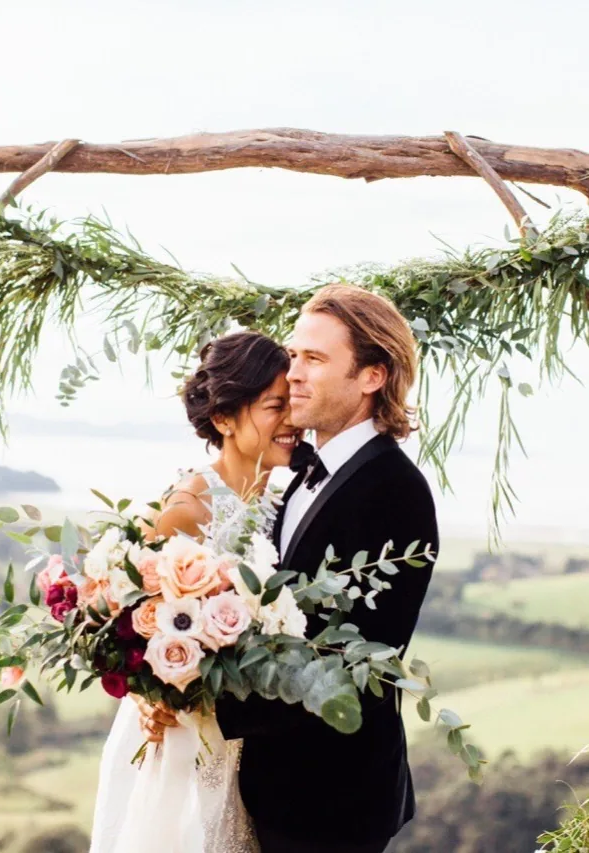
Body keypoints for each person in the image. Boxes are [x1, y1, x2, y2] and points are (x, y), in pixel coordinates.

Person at [215, 284, 439, 852]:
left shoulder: (395, 491)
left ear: (372, 376)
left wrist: (200, 700)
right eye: (293, 355)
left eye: (314, 358)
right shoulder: (303, 473)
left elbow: (346, 661)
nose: (292, 373)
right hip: (276, 786)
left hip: (333, 797)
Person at [89, 331, 301, 853]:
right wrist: (149, 695)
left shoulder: (279, 498)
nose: (292, 421)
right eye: (276, 407)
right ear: (225, 419)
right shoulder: (189, 506)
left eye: (292, 404)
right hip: (183, 738)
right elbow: (131, 626)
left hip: (240, 738)